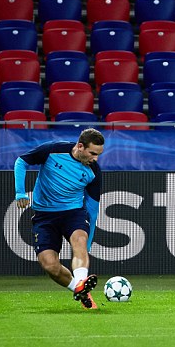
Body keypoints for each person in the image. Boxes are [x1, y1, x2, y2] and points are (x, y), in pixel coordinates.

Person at [14, 128, 104, 310]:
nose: (95, 159)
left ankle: (80, 280)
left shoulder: (94, 171)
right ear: (80, 146)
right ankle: (80, 290)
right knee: (49, 265)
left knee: (79, 240)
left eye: (99, 155)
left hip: (73, 213)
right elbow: (21, 161)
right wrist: (20, 191)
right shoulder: (53, 150)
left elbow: (93, 211)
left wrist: (87, 245)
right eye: (92, 153)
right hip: (44, 216)